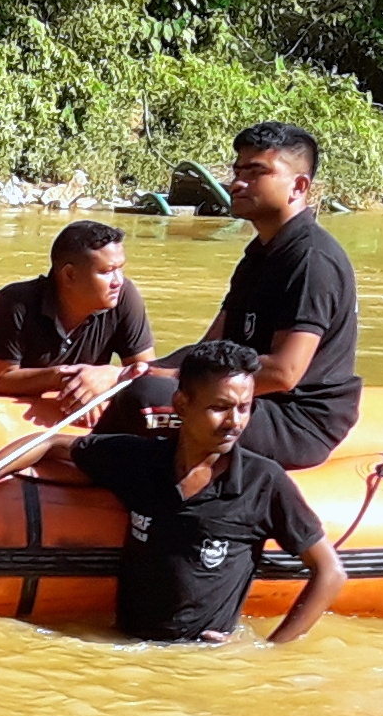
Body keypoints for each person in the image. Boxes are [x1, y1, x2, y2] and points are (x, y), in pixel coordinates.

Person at [0, 342, 347, 643]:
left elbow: (330, 572)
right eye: (219, 408)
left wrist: (269, 651)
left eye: (244, 408)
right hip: (130, 649)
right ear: (182, 404)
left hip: (203, 661)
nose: (234, 422)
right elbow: (49, 442)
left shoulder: (263, 482)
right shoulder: (142, 461)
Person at [94, 122, 360, 468]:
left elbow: (283, 372)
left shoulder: (311, 260)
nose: (237, 183)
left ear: (299, 185)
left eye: (256, 172)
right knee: (143, 386)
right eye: (237, 172)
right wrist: (137, 370)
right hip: (240, 401)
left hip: (293, 421)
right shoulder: (259, 254)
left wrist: (164, 381)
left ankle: (84, 467)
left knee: (148, 399)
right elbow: (208, 349)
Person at [0, 219, 157, 408]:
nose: (118, 281)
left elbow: (148, 373)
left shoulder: (125, 297)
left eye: (121, 268)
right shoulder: (14, 303)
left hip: (62, 409)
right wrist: (69, 380)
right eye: (106, 271)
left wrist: (112, 377)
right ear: (69, 274)